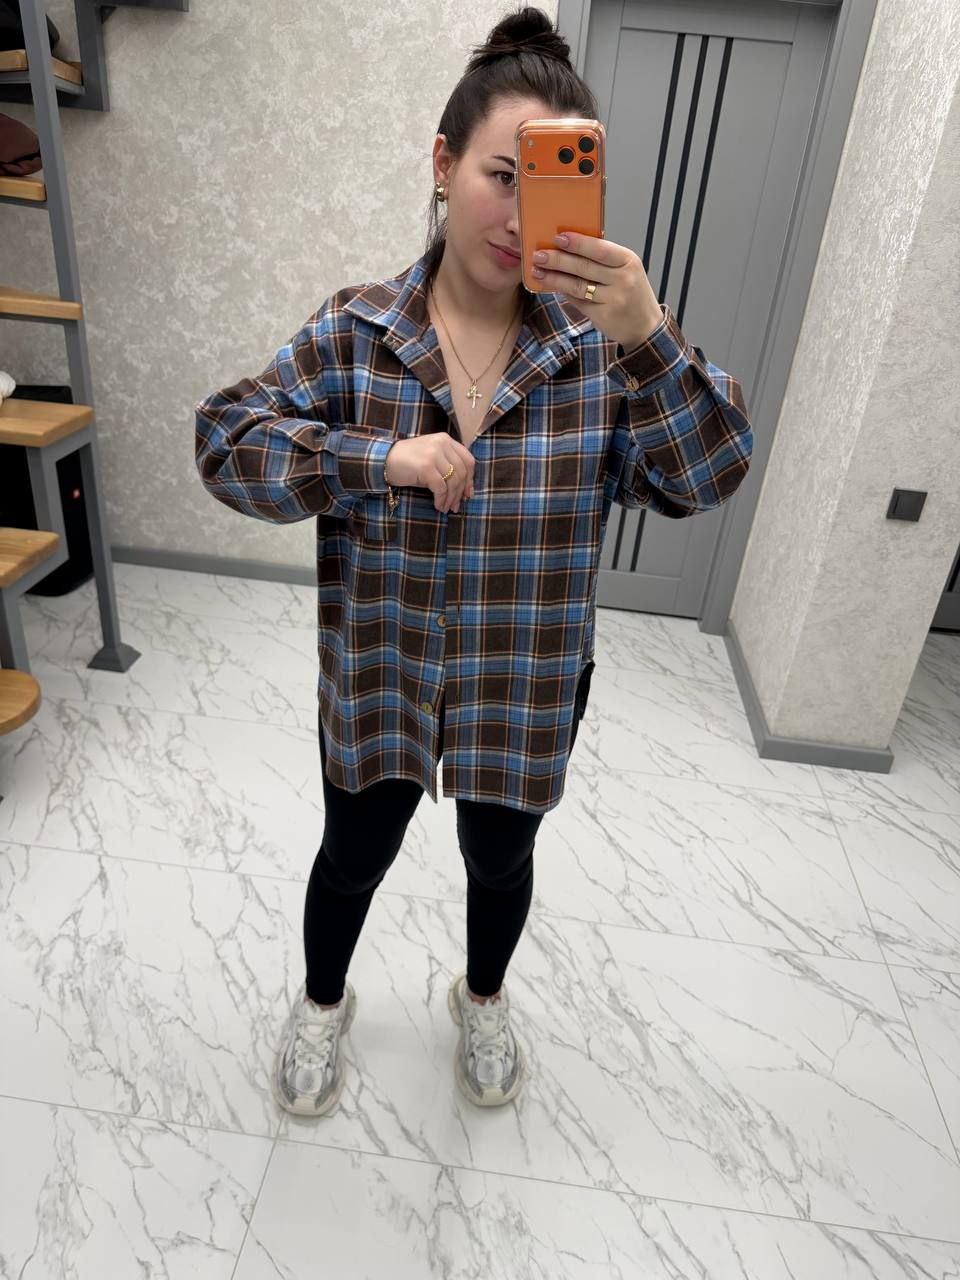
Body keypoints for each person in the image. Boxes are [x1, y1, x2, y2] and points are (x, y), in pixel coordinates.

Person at [193, 5, 753, 1118]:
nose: (520, 214)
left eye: (548, 184)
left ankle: (482, 996)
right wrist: (375, 458)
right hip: (380, 674)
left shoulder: (604, 356)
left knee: (501, 861)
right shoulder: (355, 333)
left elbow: (709, 474)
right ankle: (322, 999)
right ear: (444, 165)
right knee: (353, 855)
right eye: (504, 175)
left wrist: (649, 335)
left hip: (523, 685)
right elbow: (223, 441)